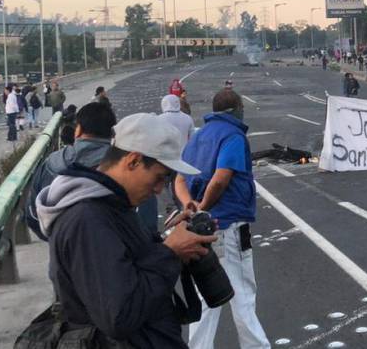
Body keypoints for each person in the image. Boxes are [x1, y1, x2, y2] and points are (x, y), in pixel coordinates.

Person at [35, 113, 213, 348]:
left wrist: (166, 241)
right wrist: (169, 253)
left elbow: (125, 267)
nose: (160, 190)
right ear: (133, 160)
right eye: (159, 177)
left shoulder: (113, 205)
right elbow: (119, 316)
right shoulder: (87, 219)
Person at [175, 90, 271, 349]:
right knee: (242, 296)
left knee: (206, 296)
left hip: (201, 230)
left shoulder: (198, 137)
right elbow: (221, 178)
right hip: (228, 227)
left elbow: (179, 178)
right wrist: (204, 206)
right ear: (237, 107)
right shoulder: (233, 136)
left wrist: (190, 206)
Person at [26, 102, 117, 240]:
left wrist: (56, 240)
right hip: (109, 244)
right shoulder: (122, 164)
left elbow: (33, 213)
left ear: (78, 130)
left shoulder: (53, 162)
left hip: (61, 240)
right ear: (112, 133)